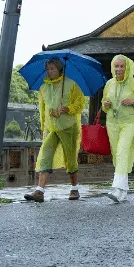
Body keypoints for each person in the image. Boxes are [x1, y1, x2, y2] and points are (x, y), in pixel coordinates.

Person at [24, 59, 85, 202]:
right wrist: (43, 126)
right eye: (48, 69)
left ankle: (74, 188)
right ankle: (39, 191)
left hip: (68, 126)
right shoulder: (44, 87)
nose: (49, 71)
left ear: (59, 69)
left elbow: (80, 102)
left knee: (70, 158)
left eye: (52, 68)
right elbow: (42, 109)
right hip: (51, 128)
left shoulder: (71, 84)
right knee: (45, 156)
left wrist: (67, 108)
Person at [102, 54, 134, 203]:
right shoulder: (109, 84)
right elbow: (103, 104)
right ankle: (123, 190)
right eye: (116, 66)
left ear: (127, 67)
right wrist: (106, 105)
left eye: (122, 66)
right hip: (112, 124)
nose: (119, 69)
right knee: (117, 155)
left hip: (129, 124)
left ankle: (116, 188)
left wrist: (133, 101)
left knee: (122, 152)